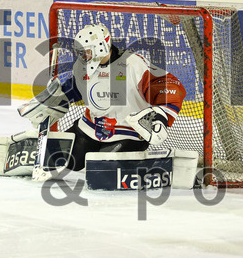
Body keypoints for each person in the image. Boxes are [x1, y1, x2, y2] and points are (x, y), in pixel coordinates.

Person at [18, 23, 186, 172]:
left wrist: (161, 116)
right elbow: (76, 88)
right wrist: (54, 100)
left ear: (101, 46)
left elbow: (171, 86)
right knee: (55, 159)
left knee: (103, 170)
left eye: (87, 51)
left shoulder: (133, 64)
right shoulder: (82, 65)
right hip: (90, 128)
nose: (83, 56)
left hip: (128, 133)